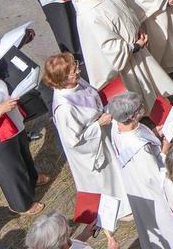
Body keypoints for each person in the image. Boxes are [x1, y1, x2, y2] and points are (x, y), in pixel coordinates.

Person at [43, 52, 128, 238]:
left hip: (104, 134)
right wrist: (98, 125)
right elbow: (74, 142)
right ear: (62, 80)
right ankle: (119, 209)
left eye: (75, 66)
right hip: (91, 149)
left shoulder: (76, 82)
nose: (78, 71)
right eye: (73, 71)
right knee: (107, 179)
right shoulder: (64, 108)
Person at [69, 0, 173, 108]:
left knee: (153, 83)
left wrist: (137, 26)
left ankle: (162, 105)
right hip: (126, 61)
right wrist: (135, 46)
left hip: (137, 44)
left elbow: (124, 8)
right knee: (140, 94)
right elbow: (109, 46)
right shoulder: (90, 15)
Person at [108, 91, 173, 249]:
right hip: (151, 193)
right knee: (166, 227)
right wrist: (165, 149)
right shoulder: (140, 148)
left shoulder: (117, 127)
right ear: (132, 116)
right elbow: (155, 178)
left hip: (134, 183)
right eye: (140, 107)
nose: (143, 107)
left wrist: (154, 133)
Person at [0, 61, 48, 217]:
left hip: (14, 123)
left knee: (24, 155)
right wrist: (0, 111)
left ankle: (32, 179)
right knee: (11, 170)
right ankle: (21, 204)